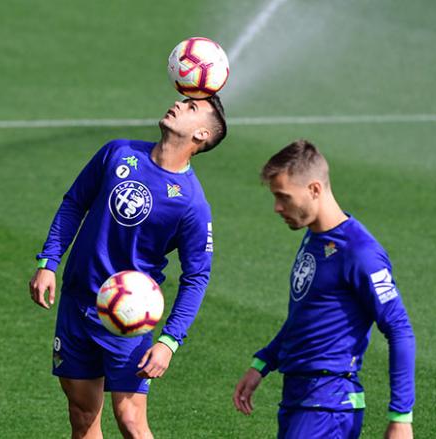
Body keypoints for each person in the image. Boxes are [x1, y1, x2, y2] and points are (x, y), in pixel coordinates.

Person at [29, 95, 227, 439]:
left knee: (131, 421)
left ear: (201, 136)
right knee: (82, 414)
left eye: (191, 108)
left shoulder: (193, 204)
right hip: (78, 303)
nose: (178, 105)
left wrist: (169, 341)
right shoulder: (118, 152)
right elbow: (75, 202)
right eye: (181, 100)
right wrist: (49, 261)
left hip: (128, 318)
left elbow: (196, 277)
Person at [233, 140, 415, 439]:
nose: (277, 207)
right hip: (300, 398)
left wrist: (400, 417)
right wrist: (263, 362)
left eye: (283, 197)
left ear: (314, 189)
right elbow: (306, 314)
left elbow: (399, 329)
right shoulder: (314, 239)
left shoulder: (360, 252)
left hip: (329, 405)